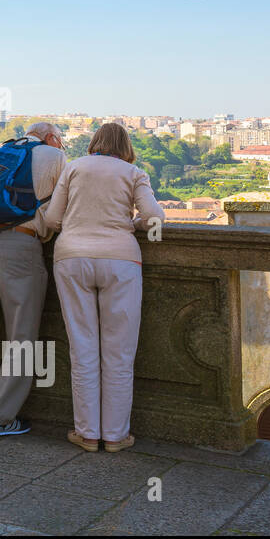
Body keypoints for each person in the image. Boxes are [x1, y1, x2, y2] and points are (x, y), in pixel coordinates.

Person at [40, 122, 164, 453]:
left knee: (82, 349)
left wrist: (78, 226)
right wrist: (130, 224)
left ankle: (87, 434)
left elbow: (52, 219)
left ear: (94, 142)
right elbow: (153, 217)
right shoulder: (133, 172)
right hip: (121, 259)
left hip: (71, 258)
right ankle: (115, 436)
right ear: (125, 146)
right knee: (119, 352)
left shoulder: (74, 168)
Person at [0, 121, 68, 437]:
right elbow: (58, 215)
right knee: (20, 332)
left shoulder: (1, 150)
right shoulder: (53, 156)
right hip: (19, 242)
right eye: (61, 140)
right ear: (52, 137)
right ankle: (1, 418)